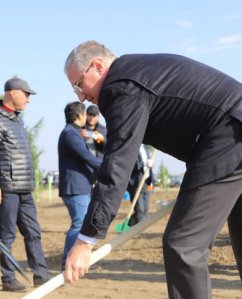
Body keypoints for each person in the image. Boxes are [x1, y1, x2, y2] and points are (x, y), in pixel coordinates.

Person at [63, 40, 242, 299]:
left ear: (98, 66)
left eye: (78, 84)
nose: (79, 95)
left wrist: (86, 239)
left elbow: (117, 166)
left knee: (184, 245)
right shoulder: (139, 70)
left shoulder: (121, 87)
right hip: (233, 132)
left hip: (229, 139)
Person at [0, 77, 49, 292]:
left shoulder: (16, 119)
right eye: (27, 94)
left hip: (24, 188)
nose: (29, 99)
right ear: (13, 92)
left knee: (33, 232)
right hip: (7, 189)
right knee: (7, 236)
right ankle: (8, 278)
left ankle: (41, 274)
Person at [58, 101, 101, 270]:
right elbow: (86, 156)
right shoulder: (70, 134)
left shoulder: (74, 133)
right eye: (84, 114)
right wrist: (106, 168)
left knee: (80, 223)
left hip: (80, 186)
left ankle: (75, 262)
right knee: (79, 223)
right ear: (79, 116)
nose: (86, 117)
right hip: (75, 188)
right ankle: (67, 263)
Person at [127, 144, 153, 226]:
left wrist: (150, 164)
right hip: (136, 180)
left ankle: (132, 224)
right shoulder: (131, 146)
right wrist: (143, 164)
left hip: (147, 179)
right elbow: (130, 163)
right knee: (139, 208)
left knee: (145, 207)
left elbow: (149, 161)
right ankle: (140, 227)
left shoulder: (144, 146)